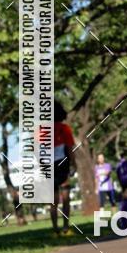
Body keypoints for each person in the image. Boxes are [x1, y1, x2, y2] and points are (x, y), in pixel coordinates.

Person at [51, 100, 76, 236]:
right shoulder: (65, 128)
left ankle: (55, 230)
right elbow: (70, 149)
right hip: (63, 163)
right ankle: (66, 228)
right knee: (65, 197)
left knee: (53, 200)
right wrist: (74, 164)